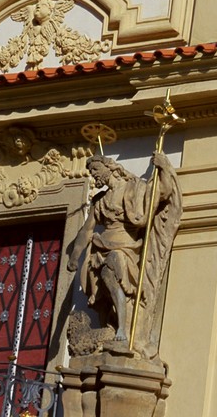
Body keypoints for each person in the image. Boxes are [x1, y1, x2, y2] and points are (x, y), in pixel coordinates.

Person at [68, 152, 182, 358]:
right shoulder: (100, 201)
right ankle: (114, 325)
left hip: (127, 246)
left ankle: (123, 329)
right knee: (104, 285)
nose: (93, 175)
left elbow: (162, 193)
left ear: (109, 167)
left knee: (110, 273)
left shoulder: (134, 189)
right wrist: (75, 255)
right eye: (91, 171)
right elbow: (86, 230)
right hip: (102, 246)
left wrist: (163, 167)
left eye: (95, 170)